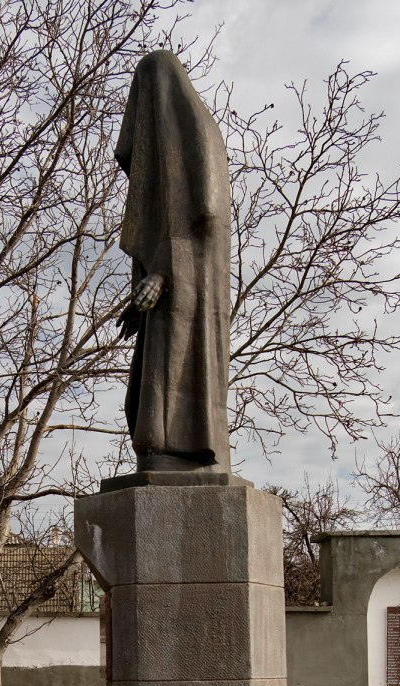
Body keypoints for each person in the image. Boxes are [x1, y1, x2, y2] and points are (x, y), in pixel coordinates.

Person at [115, 50, 232, 474]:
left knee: (178, 371)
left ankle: (182, 449)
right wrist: (146, 284)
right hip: (167, 294)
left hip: (191, 292)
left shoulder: (197, 135)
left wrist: (163, 273)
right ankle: (162, 448)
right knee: (144, 392)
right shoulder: (176, 143)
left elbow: (205, 217)